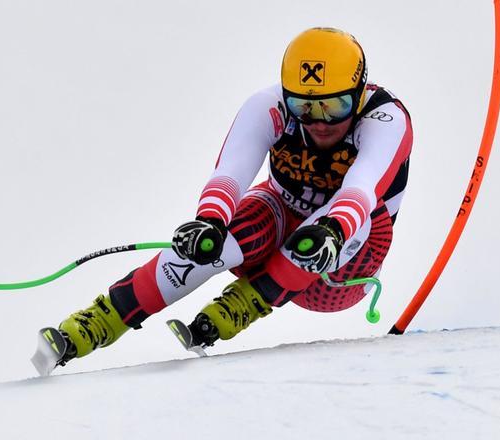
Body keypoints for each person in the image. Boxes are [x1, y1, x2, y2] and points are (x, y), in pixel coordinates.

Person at [53, 27, 412, 365]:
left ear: (360, 93)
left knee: (330, 229)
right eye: (304, 108)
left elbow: (360, 189)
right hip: (279, 218)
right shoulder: (268, 105)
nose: (319, 122)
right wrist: (209, 221)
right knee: (220, 238)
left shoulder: (386, 118)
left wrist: (334, 229)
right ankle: (97, 322)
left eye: (335, 108)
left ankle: (244, 303)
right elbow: (230, 175)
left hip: (341, 271)